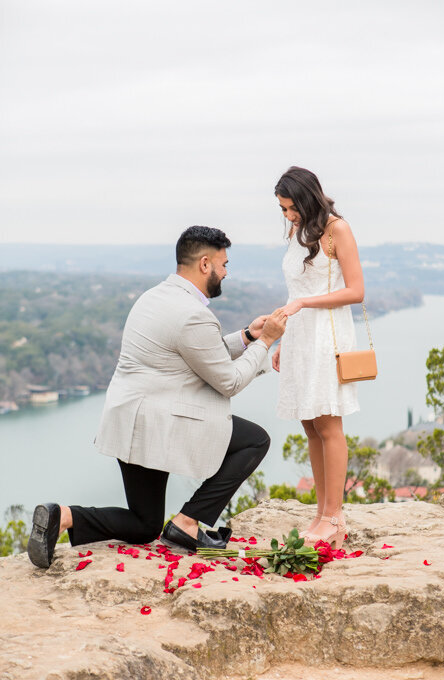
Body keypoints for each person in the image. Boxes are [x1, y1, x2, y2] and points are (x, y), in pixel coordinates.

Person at [28, 225, 287, 568]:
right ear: (205, 264)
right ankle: (187, 521)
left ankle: (62, 516)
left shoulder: (153, 297)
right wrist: (267, 342)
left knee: (144, 523)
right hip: (162, 426)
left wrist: (246, 337)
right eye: (224, 265)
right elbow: (228, 382)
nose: (226, 273)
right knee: (254, 440)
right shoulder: (195, 315)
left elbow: (198, 353)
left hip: (129, 421)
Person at [272, 166, 364, 549]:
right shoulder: (299, 232)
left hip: (327, 335)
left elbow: (356, 290)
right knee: (309, 426)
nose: (288, 215)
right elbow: (296, 287)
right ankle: (321, 511)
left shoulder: (336, 229)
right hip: (300, 336)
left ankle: (335, 516)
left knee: (328, 425)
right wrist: (282, 340)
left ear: (308, 198)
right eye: (282, 209)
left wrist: (305, 304)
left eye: (291, 207)